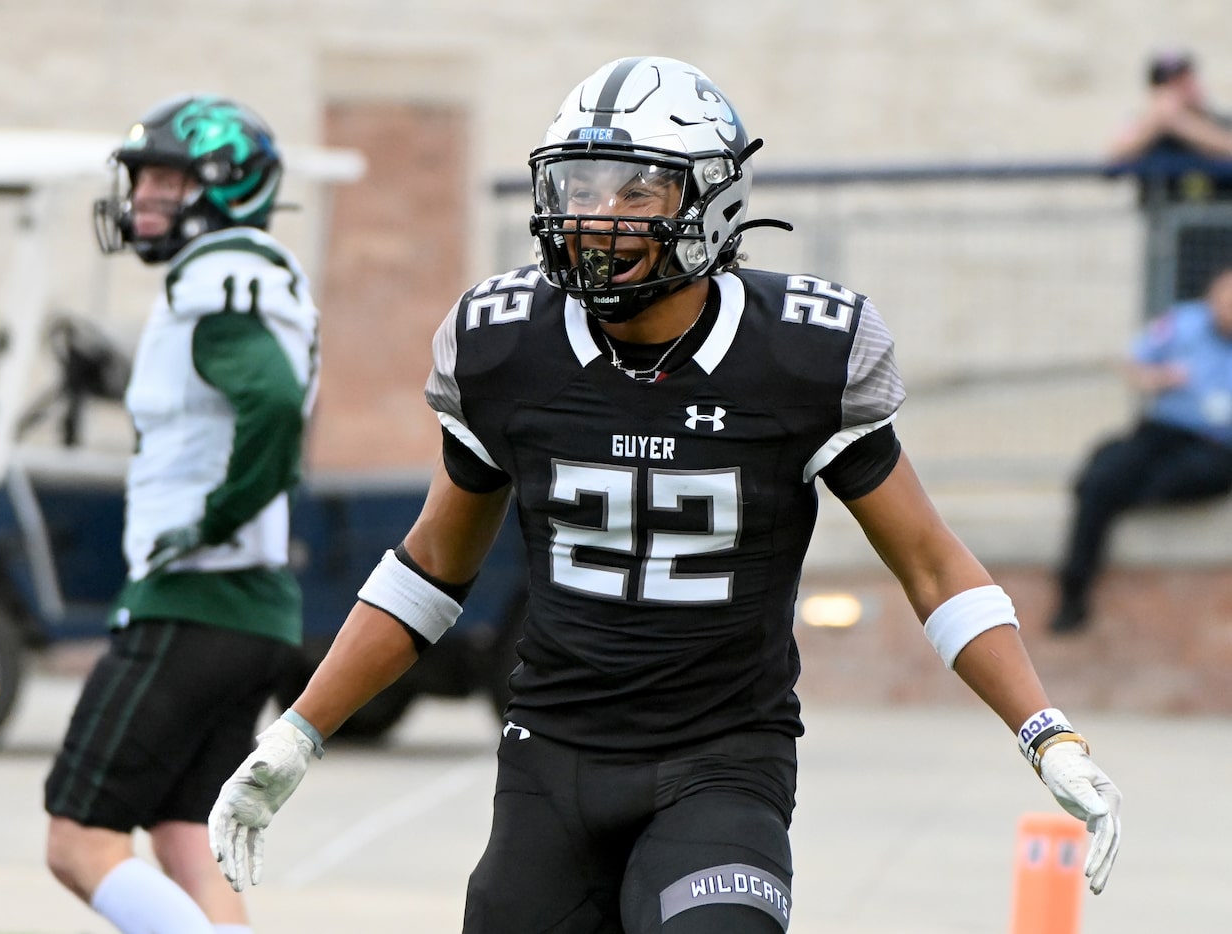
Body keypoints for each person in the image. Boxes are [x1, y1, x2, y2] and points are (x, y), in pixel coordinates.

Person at [210, 57, 1121, 932]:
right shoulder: (505, 344)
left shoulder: (799, 355)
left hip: (722, 763)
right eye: (580, 188)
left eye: (634, 192)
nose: (596, 217)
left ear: (710, 202)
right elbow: (430, 571)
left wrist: (1045, 732)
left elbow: (929, 564)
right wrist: (298, 735)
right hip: (550, 762)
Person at [44, 94, 321, 934]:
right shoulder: (253, 271)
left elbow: (272, 406)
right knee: (184, 836)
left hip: (196, 602)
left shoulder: (216, 277)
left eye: (166, 178)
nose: (146, 199)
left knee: (77, 842)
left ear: (227, 186)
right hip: (250, 609)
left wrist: (212, 519)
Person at [1050, 265, 1232, 634]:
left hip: (1215, 447)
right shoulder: (1183, 322)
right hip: (1162, 431)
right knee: (1102, 480)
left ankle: (1122, 493)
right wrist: (1158, 378)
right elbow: (1133, 362)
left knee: (1191, 475)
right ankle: (1074, 591)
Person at [1107, 49, 1232, 301]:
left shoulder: (1216, 122)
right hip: (1170, 252)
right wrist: (1157, 121)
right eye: (1170, 85)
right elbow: (1113, 162)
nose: (1182, 90)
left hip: (1222, 248)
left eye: (1185, 81)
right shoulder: (1149, 131)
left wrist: (1183, 124)